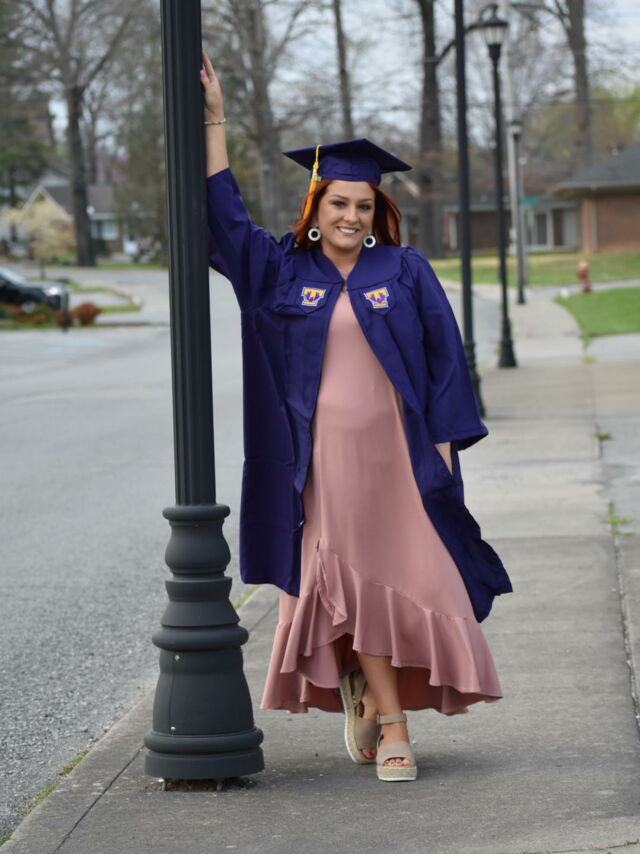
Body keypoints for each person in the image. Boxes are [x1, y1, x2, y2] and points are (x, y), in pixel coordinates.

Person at [200, 49, 512, 783]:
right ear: (315, 205)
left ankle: (367, 693)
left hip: (402, 457)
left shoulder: (403, 270)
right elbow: (226, 219)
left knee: (426, 580)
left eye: (363, 205)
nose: (350, 216)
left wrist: (444, 445)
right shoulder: (281, 268)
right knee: (358, 580)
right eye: (338, 203)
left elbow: (445, 360)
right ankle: (393, 720)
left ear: (377, 213)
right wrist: (215, 123)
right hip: (325, 464)